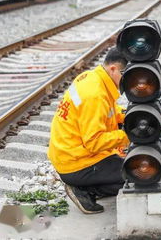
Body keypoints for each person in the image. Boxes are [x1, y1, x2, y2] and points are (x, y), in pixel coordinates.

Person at [47, 48, 129, 214]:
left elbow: (109, 111)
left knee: (132, 167)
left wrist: (129, 116)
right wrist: (128, 135)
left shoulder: (92, 78)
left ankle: (87, 183)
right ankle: (85, 190)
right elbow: (94, 142)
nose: (130, 81)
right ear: (113, 69)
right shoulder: (95, 95)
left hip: (69, 154)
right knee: (139, 174)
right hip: (77, 163)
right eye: (128, 75)